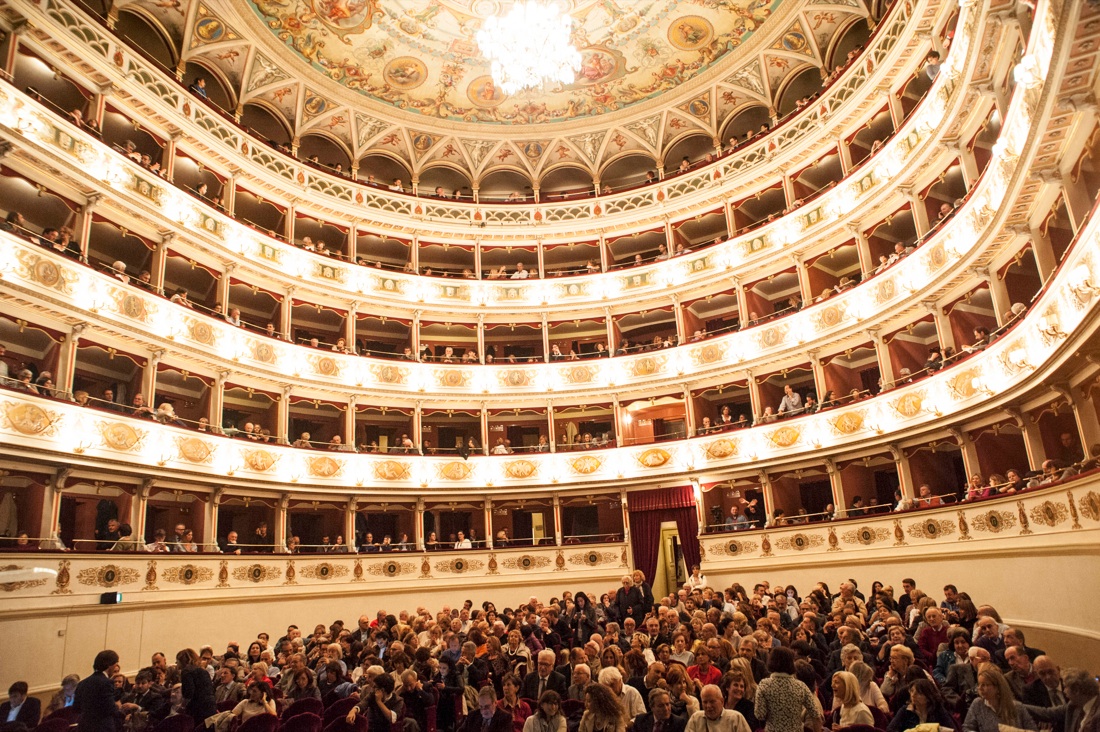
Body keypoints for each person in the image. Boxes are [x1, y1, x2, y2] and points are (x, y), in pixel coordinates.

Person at [754, 647, 822, 732]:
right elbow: (816, 715)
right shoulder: (801, 686)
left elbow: (760, 715)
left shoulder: (764, 684)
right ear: (791, 663)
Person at [962, 665, 1037, 732]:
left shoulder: (1017, 707)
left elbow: (1032, 729)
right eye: (979, 684)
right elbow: (967, 727)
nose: (980, 688)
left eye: (985, 685)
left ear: (997, 688)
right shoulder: (978, 703)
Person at [74, 649, 126, 732]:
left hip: (84, 727)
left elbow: (76, 708)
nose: (116, 666)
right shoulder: (106, 682)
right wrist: (123, 714)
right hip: (102, 728)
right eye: (116, 663)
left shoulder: (82, 683)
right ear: (109, 665)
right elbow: (110, 708)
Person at [886, 678, 955, 732]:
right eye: (912, 691)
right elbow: (890, 729)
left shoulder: (938, 710)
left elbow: (951, 729)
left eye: (918, 693)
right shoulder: (905, 710)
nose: (913, 695)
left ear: (928, 697)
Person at [177, 647, 217, 721]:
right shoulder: (203, 670)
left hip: (197, 708)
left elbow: (189, 693)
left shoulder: (186, 671)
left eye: (178, 661)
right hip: (210, 706)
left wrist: (182, 707)